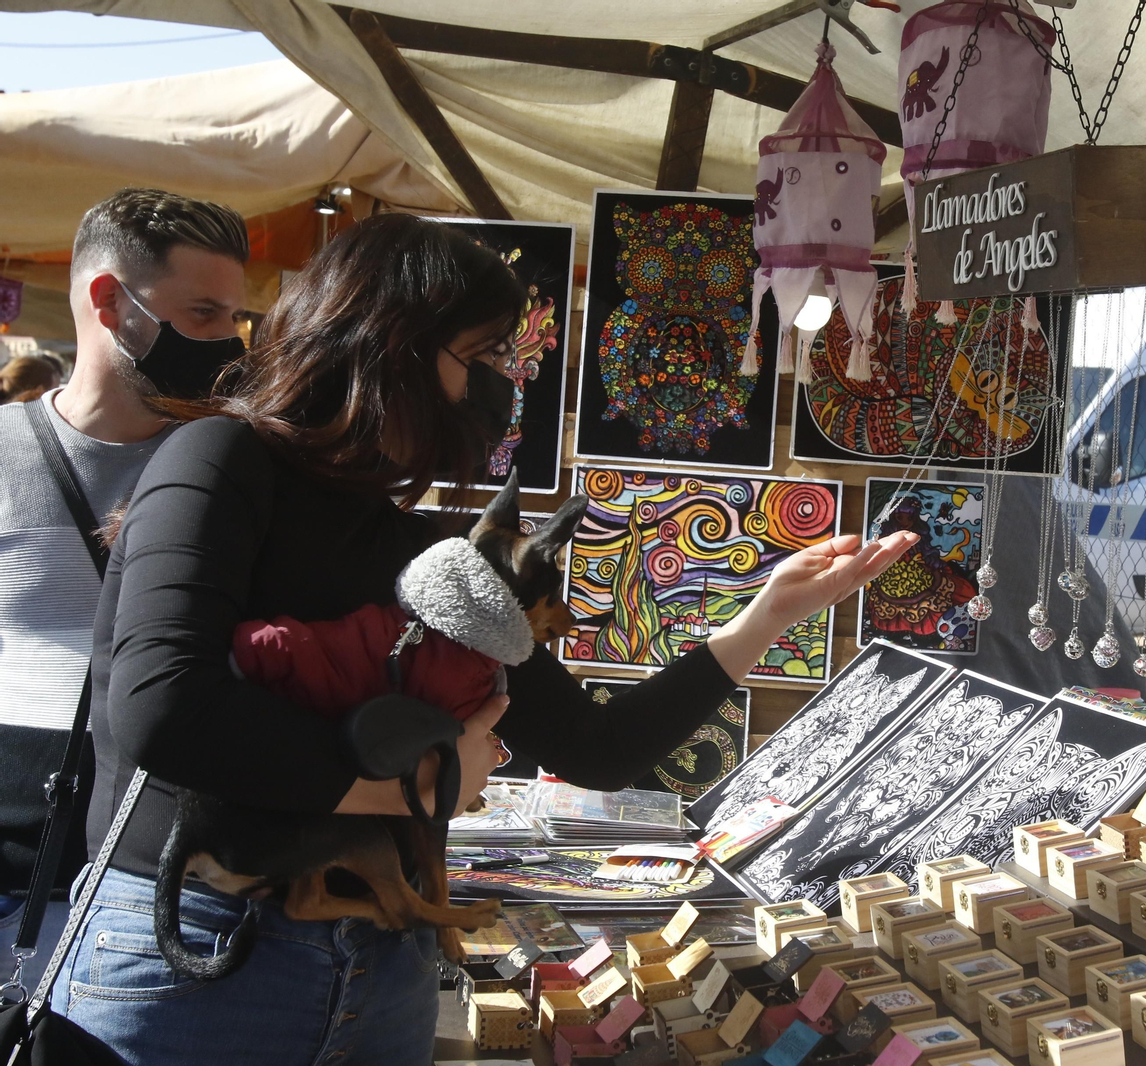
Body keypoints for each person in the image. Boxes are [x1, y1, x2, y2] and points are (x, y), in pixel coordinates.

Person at [51, 213, 916, 1066]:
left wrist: (763, 619)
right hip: (200, 950)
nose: (503, 384)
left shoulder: (419, 548)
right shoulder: (220, 459)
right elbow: (163, 711)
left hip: (381, 965)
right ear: (391, 342)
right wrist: (415, 785)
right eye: (485, 355)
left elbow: (596, 747)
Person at [0, 189, 248, 994]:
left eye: (235, 318)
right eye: (205, 314)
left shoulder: (236, 472)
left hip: (146, 878)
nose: (230, 344)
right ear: (111, 303)